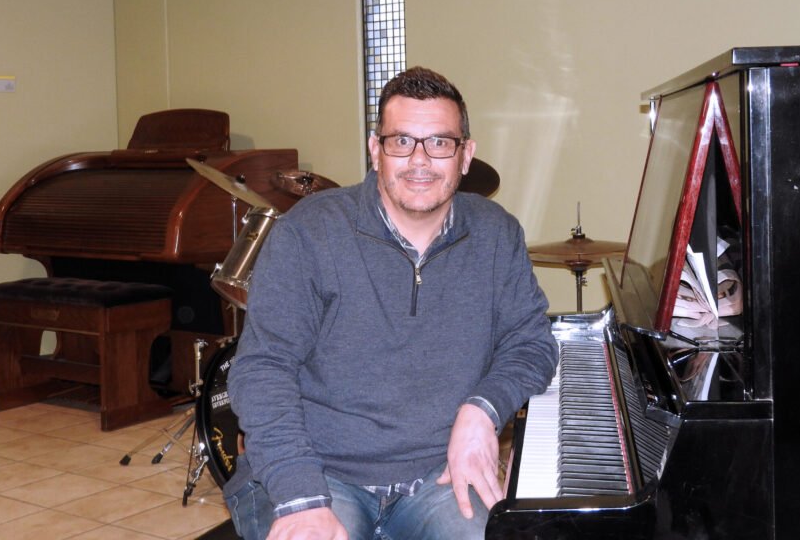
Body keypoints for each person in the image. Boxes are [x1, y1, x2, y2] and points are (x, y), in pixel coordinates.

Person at [223, 66, 559, 540]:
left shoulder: (496, 233)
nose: (419, 160)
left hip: (438, 476)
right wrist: (301, 498)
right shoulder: (310, 232)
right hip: (318, 471)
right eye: (401, 141)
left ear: (466, 155)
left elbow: (532, 344)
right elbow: (262, 369)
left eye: (440, 142)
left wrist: (482, 409)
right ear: (375, 149)